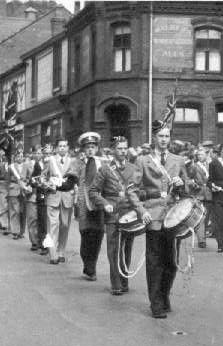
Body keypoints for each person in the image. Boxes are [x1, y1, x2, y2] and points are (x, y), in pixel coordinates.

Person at [136, 120, 192, 318]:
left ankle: (165, 295)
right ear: (154, 138)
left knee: (170, 261)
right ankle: (156, 303)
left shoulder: (178, 160)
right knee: (154, 261)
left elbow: (187, 190)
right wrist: (142, 209)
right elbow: (133, 190)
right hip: (153, 215)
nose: (164, 140)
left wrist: (180, 183)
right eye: (160, 136)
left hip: (172, 216)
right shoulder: (143, 160)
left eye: (167, 136)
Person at [89, 136, 143, 295]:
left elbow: (140, 190)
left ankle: (124, 281)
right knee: (113, 249)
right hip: (112, 215)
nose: (123, 151)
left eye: (125, 148)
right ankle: (116, 284)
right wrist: (105, 204)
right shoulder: (105, 169)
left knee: (127, 248)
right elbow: (93, 191)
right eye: (119, 148)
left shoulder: (133, 168)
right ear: (113, 150)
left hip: (129, 213)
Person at [68, 132, 105, 279]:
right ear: (83, 149)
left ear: (97, 148)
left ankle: (92, 266)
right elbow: (71, 179)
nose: (90, 150)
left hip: (99, 204)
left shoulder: (102, 162)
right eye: (87, 147)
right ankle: (88, 266)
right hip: (83, 204)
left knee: (98, 235)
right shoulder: (78, 163)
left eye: (93, 146)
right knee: (86, 234)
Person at [44, 140, 75, 264]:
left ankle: (61, 251)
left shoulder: (72, 162)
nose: (62, 148)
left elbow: (75, 179)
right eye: (60, 146)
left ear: (68, 148)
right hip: (53, 195)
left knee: (65, 225)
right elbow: (43, 176)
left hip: (67, 196)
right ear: (56, 148)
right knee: (53, 225)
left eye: (64, 146)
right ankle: (53, 254)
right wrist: (47, 185)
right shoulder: (49, 160)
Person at [188, 147, 211, 248]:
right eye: (198, 155)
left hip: (209, 193)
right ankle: (201, 240)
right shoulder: (194, 166)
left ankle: (203, 236)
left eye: (201, 154)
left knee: (207, 216)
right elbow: (190, 179)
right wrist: (194, 185)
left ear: (206, 155)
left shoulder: (210, 165)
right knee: (201, 216)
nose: (199, 156)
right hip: (199, 193)